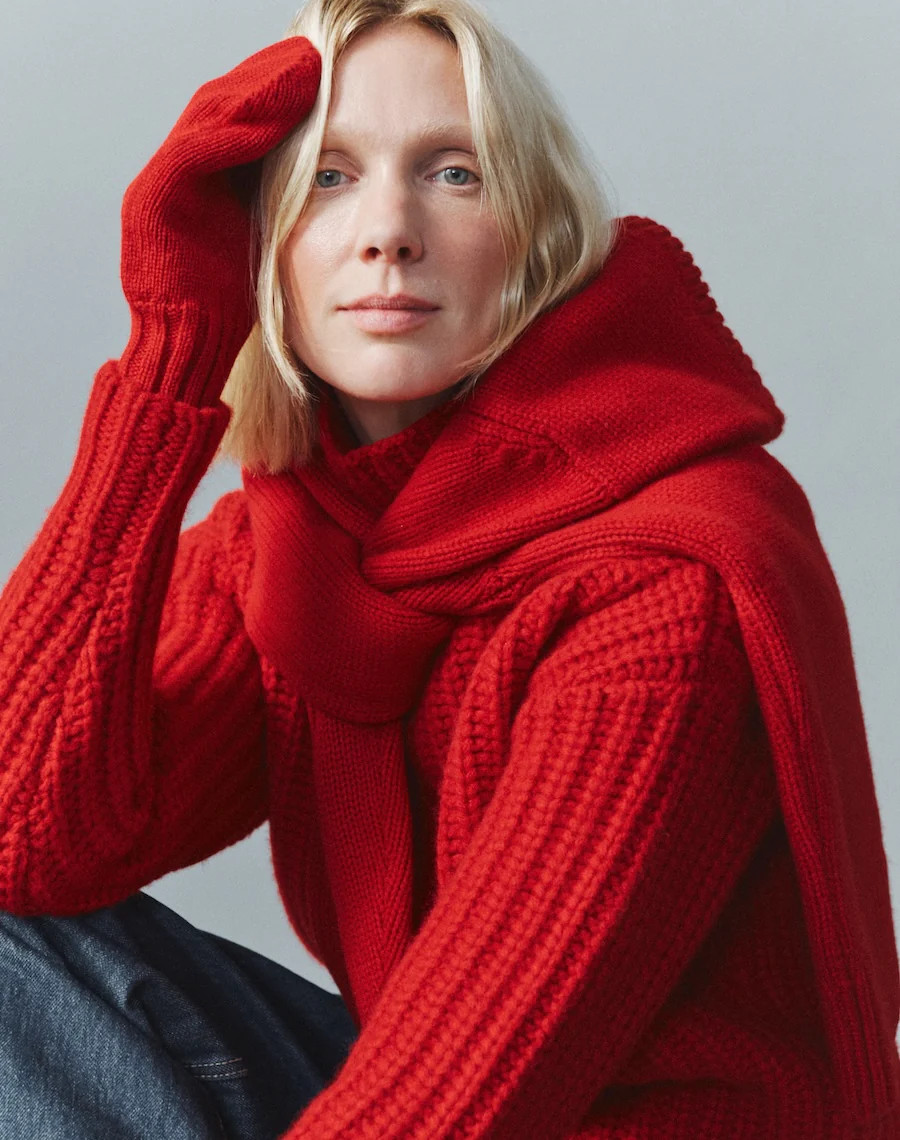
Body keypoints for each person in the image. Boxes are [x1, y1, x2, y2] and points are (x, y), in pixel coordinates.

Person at [0, 0, 897, 1136]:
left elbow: (458, 1108)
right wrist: (173, 348)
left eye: (455, 174)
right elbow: (21, 841)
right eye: (328, 179)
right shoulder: (295, 542)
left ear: (536, 239)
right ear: (259, 242)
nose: (389, 230)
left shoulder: (659, 589)